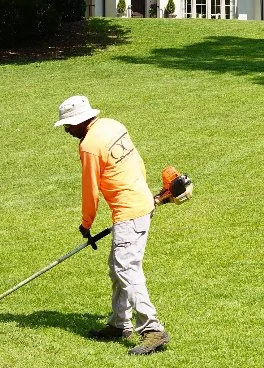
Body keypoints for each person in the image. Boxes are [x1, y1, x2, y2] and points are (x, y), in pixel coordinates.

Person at [54, 95, 170, 355]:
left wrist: (86, 224)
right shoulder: (113, 125)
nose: (66, 130)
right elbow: (138, 163)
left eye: (69, 125)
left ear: (81, 121)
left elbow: (90, 190)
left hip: (129, 212)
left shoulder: (89, 146)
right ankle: (119, 324)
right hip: (141, 202)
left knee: (126, 270)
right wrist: (146, 197)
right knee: (118, 267)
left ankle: (152, 330)